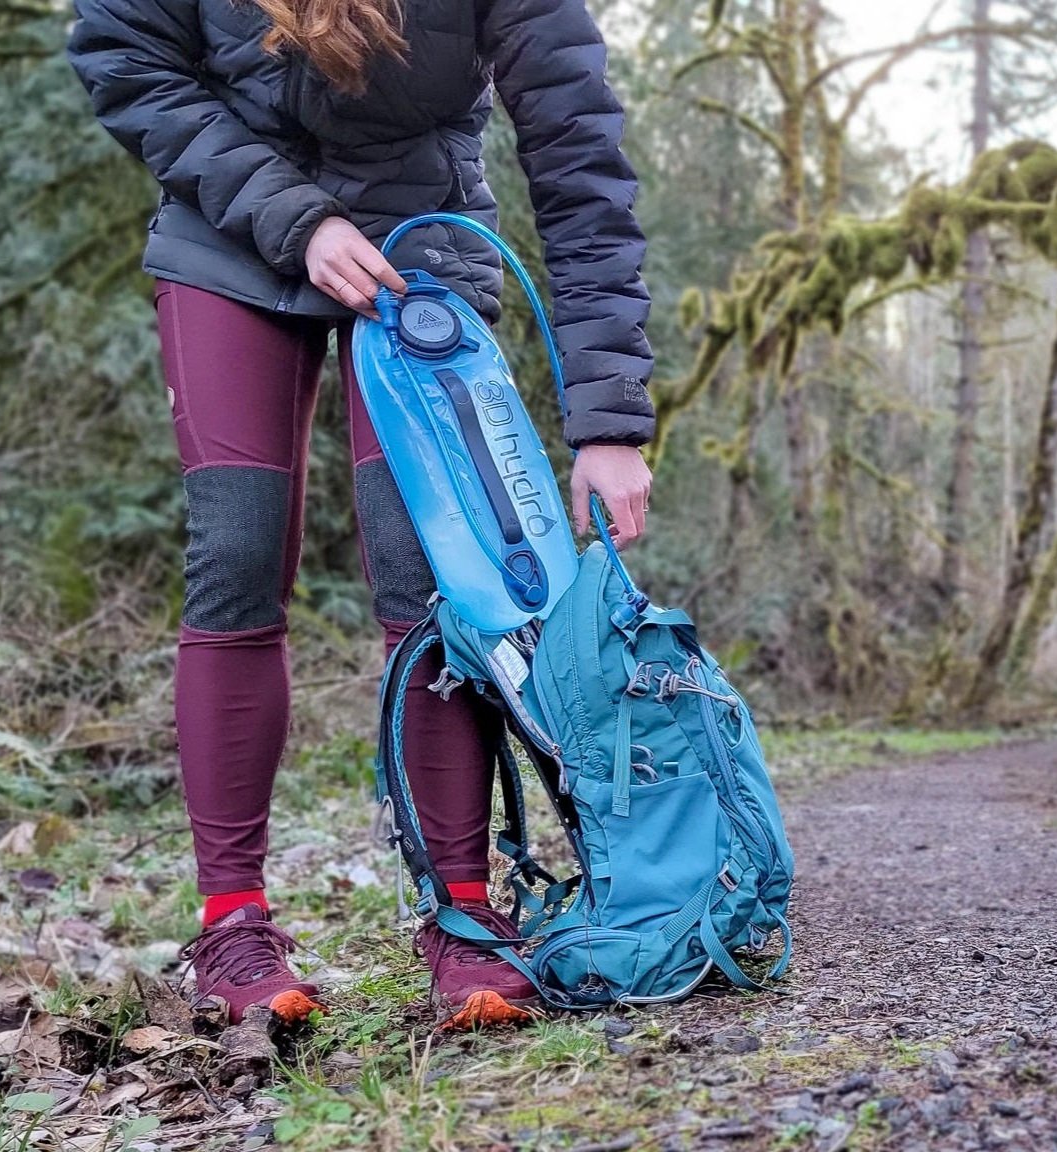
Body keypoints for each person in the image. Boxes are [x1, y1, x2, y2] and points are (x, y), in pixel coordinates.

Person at [67, 0, 655, 1030]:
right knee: (239, 548)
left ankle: (462, 915)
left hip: (423, 236)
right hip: (228, 232)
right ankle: (234, 920)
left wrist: (607, 423)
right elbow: (128, 55)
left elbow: (577, 153)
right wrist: (299, 220)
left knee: (432, 573)